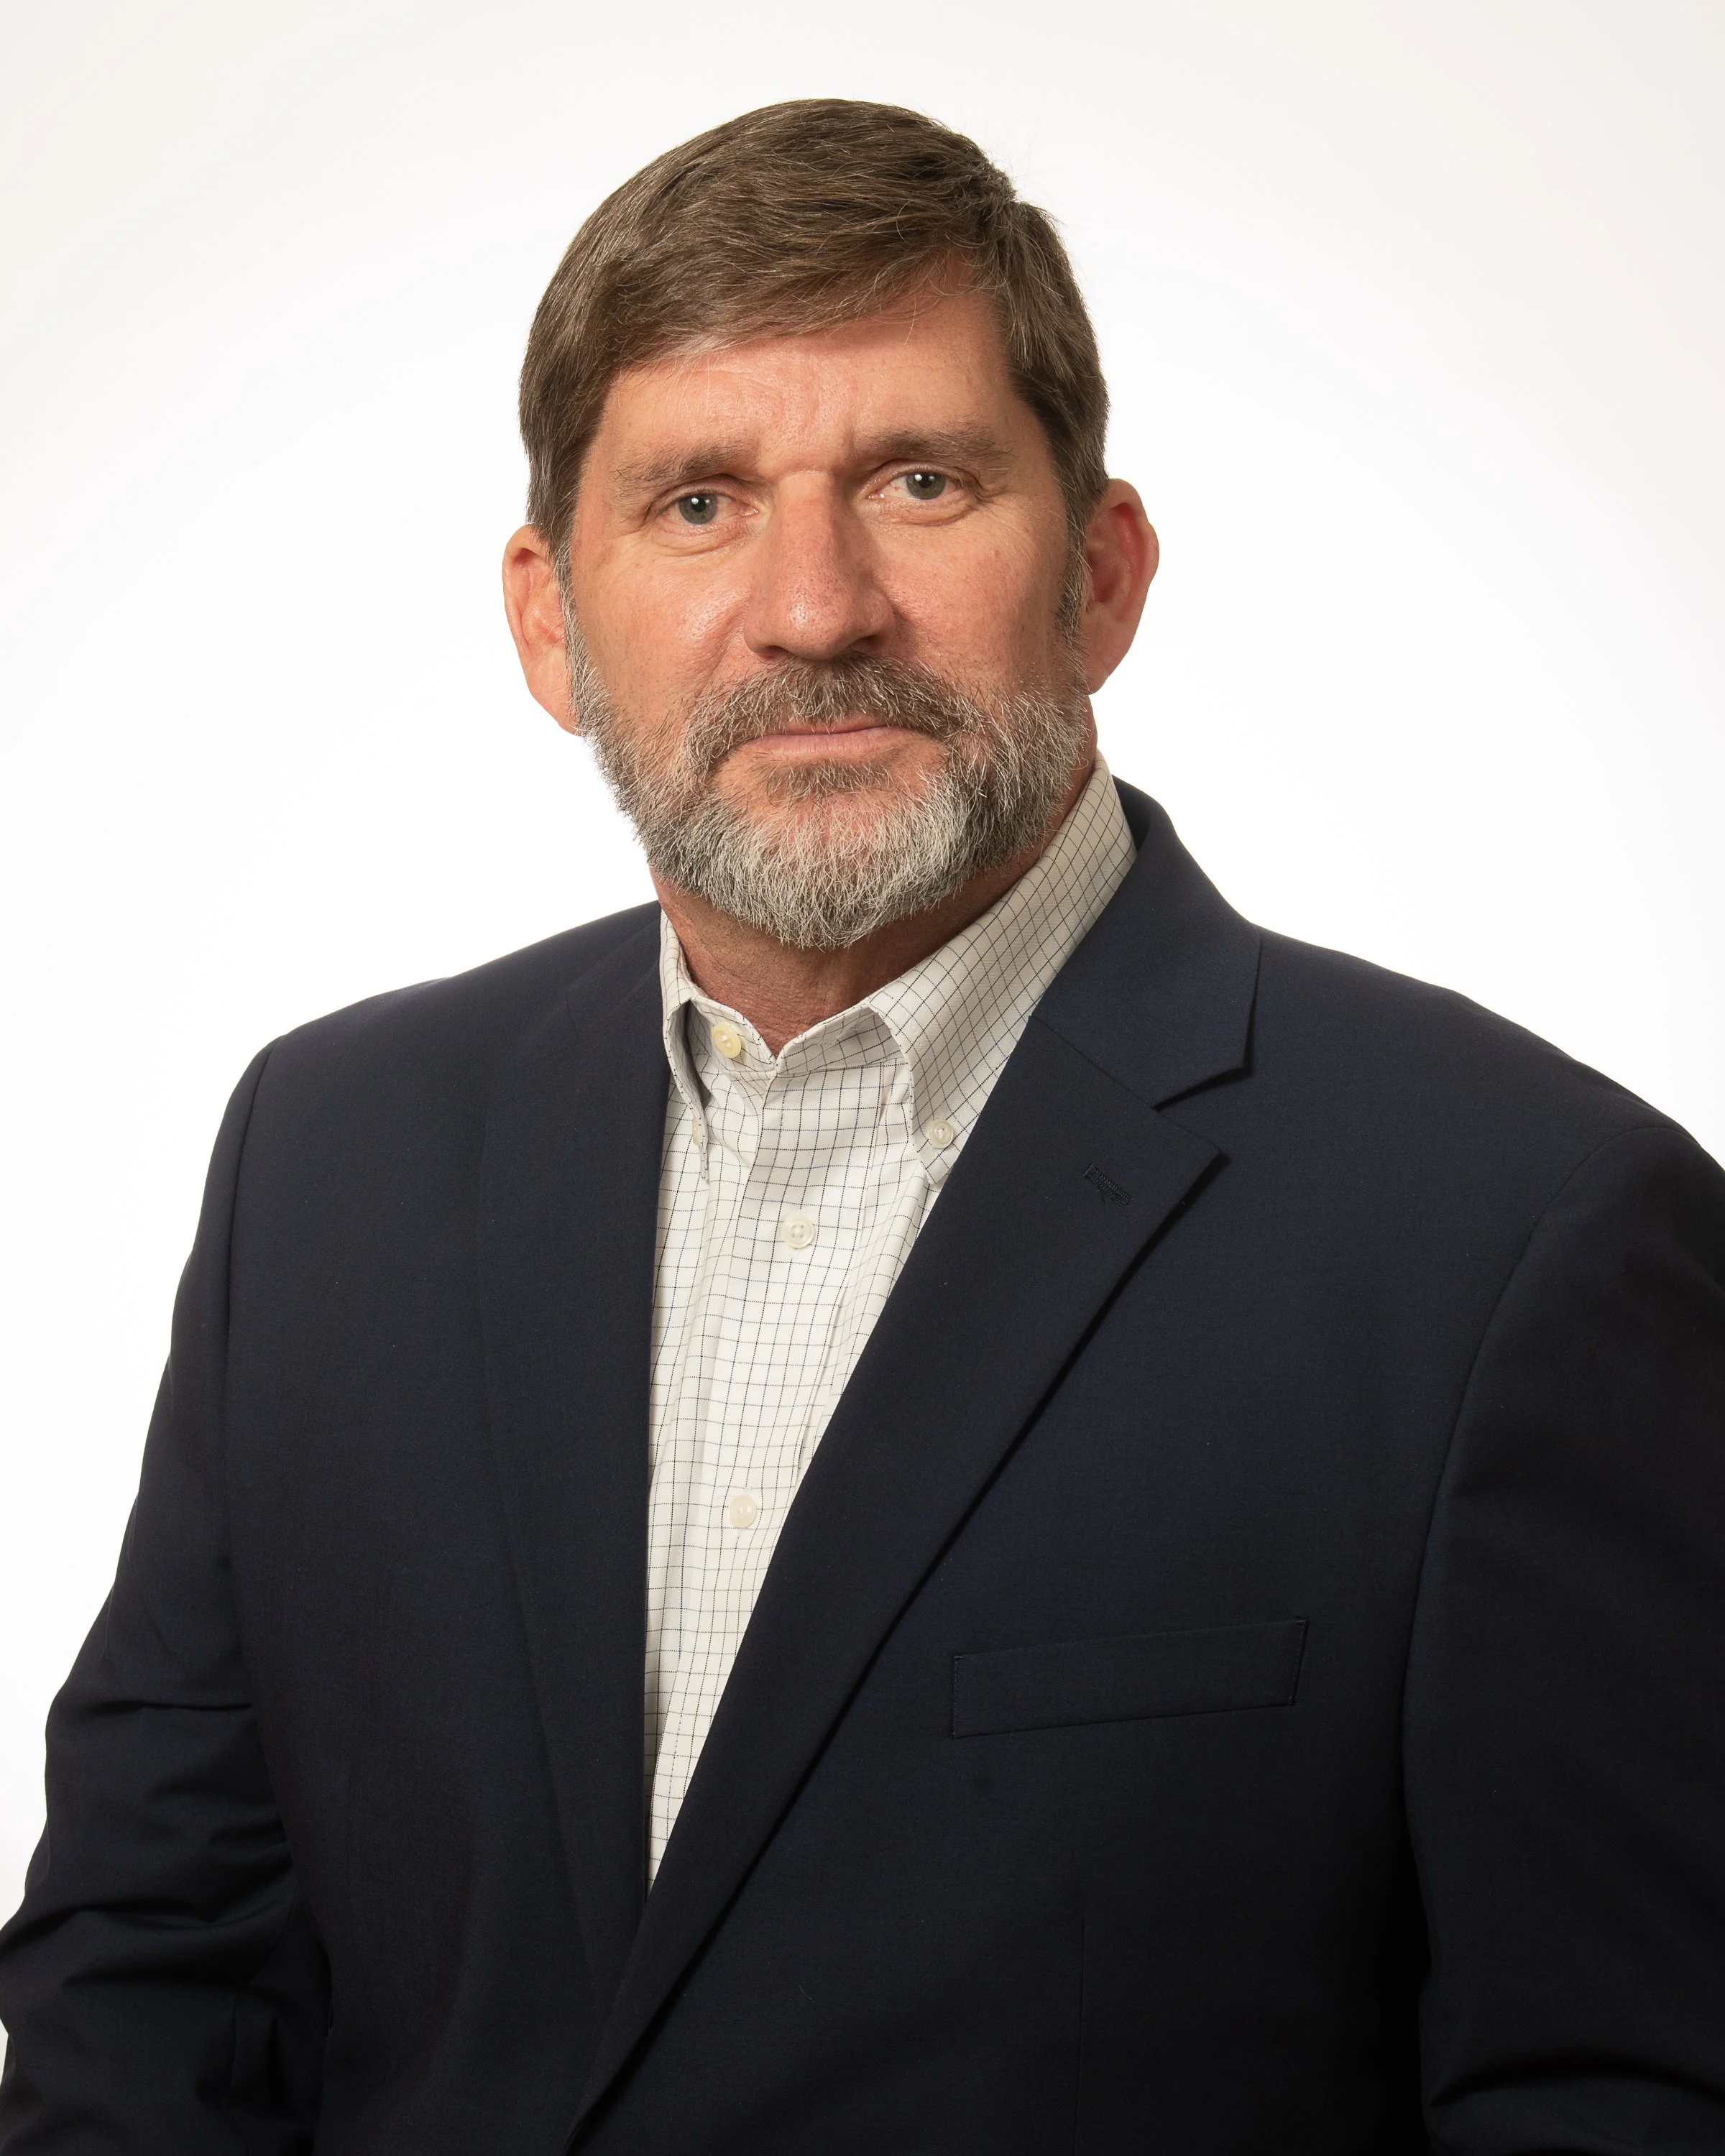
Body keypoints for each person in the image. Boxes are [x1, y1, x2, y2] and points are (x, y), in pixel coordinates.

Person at [1, 95, 1722, 2155]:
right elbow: (154, 1979)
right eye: (701, 501)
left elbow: (1630, 2095)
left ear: (1102, 573)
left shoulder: (1524, 1236)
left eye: (919, 479)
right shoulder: (334, 1158)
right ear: (552, 622)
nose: (817, 607)